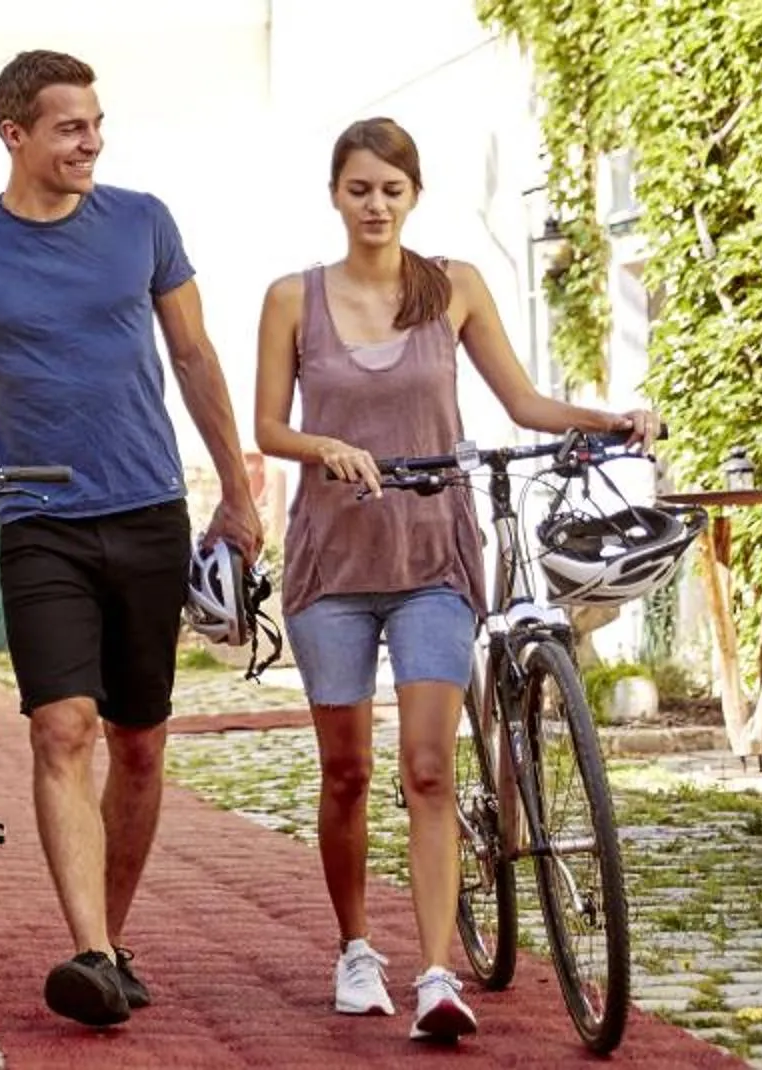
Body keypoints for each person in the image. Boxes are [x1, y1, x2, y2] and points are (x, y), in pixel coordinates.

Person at [251, 116, 658, 1042]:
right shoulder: (292, 299)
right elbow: (269, 426)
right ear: (335, 195)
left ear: (414, 197)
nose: (376, 206)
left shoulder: (454, 289)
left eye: (392, 191)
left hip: (433, 556)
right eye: (360, 189)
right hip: (332, 563)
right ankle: (357, 948)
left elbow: (520, 400)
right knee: (347, 772)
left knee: (429, 769)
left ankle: (437, 973)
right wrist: (325, 445)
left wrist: (611, 417)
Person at [0, 49, 264, 1028]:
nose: (91, 140)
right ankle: (89, 946)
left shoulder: (143, 223)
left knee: (140, 741)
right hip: (38, 520)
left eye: (96, 123)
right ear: (14, 133)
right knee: (63, 727)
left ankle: (113, 940)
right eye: (69, 126)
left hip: (146, 510)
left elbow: (193, 353)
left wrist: (237, 485)